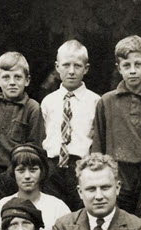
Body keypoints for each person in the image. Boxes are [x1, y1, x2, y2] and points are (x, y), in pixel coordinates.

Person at [91, 35, 141, 215]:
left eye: (138, 64)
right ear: (119, 68)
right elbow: (97, 144)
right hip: (117, 173)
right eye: (126, 65)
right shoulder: (106, 102)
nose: (132, 71)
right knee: (117, 221)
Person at [0, 51, 46, 206]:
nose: (12, 82)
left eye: (18, 77)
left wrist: (19, 171)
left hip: (17, 172)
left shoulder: (32, 107)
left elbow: (34, 147)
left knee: (17, 211)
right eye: (6, 77)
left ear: (27, 80)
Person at [41, 40, 100, 211]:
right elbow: (43, 136)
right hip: (52, 166)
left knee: (81, 211)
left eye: (77, 66)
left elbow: (97, 138)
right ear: (57, 67)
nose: (72, 71)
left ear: (86, 69)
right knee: (53, 211)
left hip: (80, 165)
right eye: (66, 65)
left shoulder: (96, 101)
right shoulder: (48, 101)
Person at [0, 144, 71, 230]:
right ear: (13, 173)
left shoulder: (58, 208)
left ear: (42, 172)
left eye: (33, 170)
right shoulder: (0, 206)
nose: (27, 176)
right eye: (21, 170)